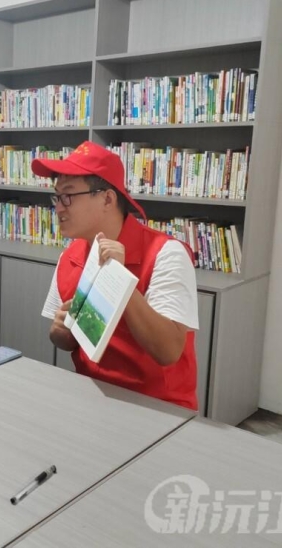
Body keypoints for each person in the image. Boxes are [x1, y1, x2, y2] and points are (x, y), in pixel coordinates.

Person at [34, 141, 199, 410]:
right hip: (91, 397)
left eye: (68, 196)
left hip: (158, 407)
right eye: (56, 197)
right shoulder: (70, 257)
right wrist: (60, 332)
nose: (59, 208)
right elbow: (65, 340)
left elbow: (168, 351)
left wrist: (119, 279)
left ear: (107, 199)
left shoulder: (166, 254)